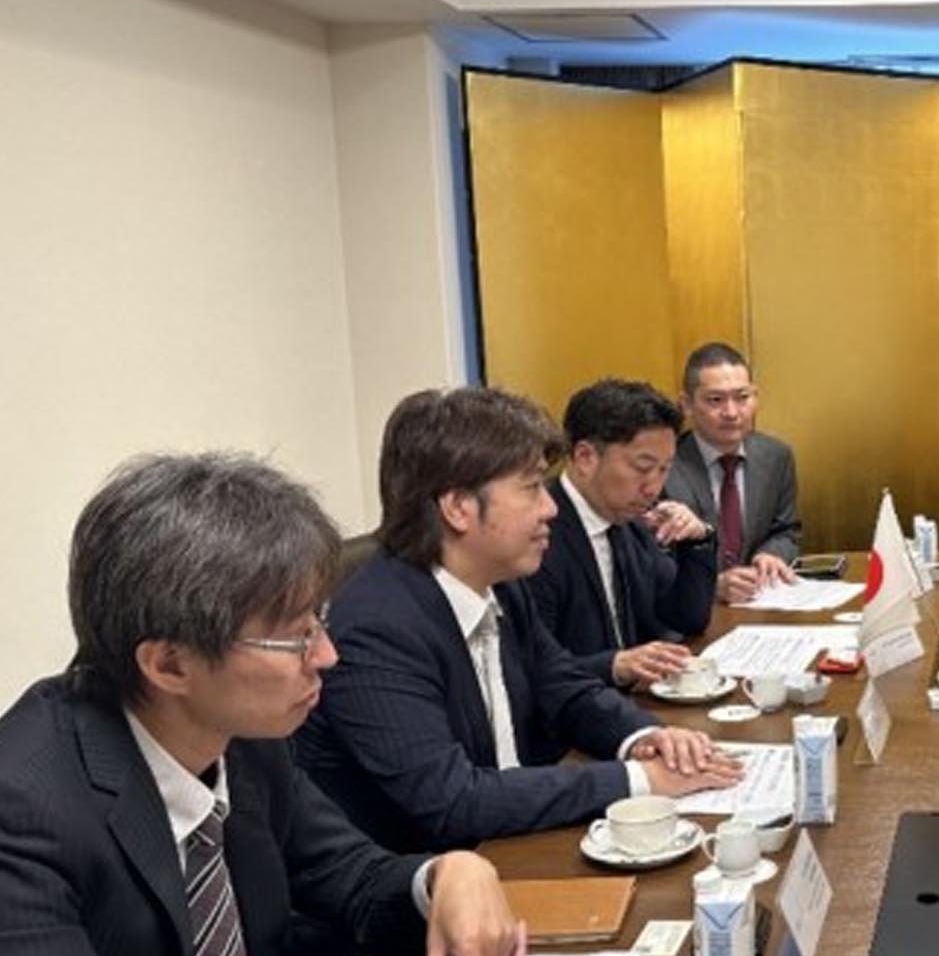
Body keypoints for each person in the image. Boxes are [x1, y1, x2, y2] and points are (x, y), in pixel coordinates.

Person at [0, 452, 527, 956]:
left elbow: (353, 878)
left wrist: (445, 876)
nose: (326, 655)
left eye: (319, 620)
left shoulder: (242, 733)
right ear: (169, 663)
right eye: (295, 636)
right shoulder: (23, 815)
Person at [296, 388, 741, 854]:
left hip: (516, 843)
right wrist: (638, 779)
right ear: (458, 507)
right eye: (531, 488)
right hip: (440, 879)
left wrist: (645, 737)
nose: (550, 507)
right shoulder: (377, 628)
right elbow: (454, 801)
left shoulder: (500, 583)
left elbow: (565, 688)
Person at [527, 378, 717, 690]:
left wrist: (696, 540)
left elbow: (687, 618)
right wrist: (613, 667)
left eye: (664, 469)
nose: (653, 487)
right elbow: (532, 670)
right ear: (585, 457)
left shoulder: (629, 522)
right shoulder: (536, 535)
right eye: (643, 468)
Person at [664, 342, 802, 604]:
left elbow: (786, 531)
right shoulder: (663, 466)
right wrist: (710, 587)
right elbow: (648, 562)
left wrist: (772, 554)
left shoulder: (776, 456)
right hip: (692, 614)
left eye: (742, 397)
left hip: (761, 604)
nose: (731, 412)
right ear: (687, 404)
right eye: (715, 400)